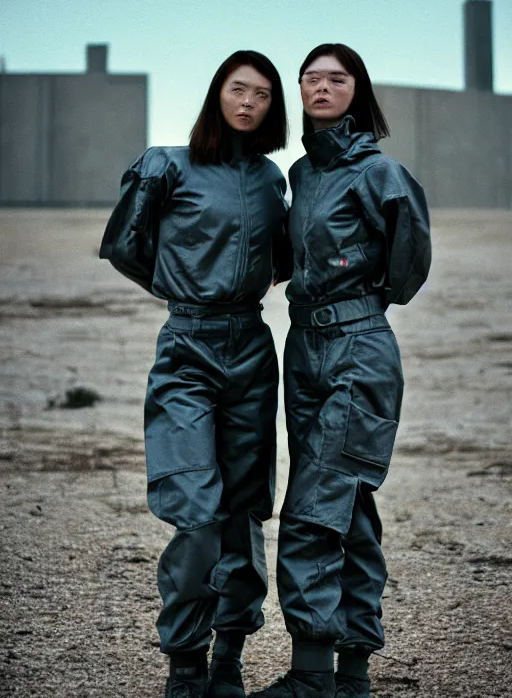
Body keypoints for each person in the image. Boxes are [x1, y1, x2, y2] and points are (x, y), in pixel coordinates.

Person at [100, 50, 291, 698]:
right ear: (217, 95)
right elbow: (126, 244)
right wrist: (186, 290)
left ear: (273, 106)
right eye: (238, 90)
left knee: (242, 514)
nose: (248, 102)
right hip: (186, 348)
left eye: (262, 94)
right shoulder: (165, 164)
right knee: (197, 513)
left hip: (251, 352)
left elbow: (285, 258)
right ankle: (184, 663)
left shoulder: (272, 180)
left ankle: (228, 657)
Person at [249, 44, 431, 698]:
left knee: (313, 506)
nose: (323, 87)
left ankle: (310, 675)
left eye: (338, 78)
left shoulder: (380, 172)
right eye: (311, 79)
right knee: (348, 509)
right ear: (298, 89)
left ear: (358, 89)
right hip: (303, 350)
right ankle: (351, 677)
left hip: (359, 348)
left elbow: (409, 264)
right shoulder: (300, 175)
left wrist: (362, 298)